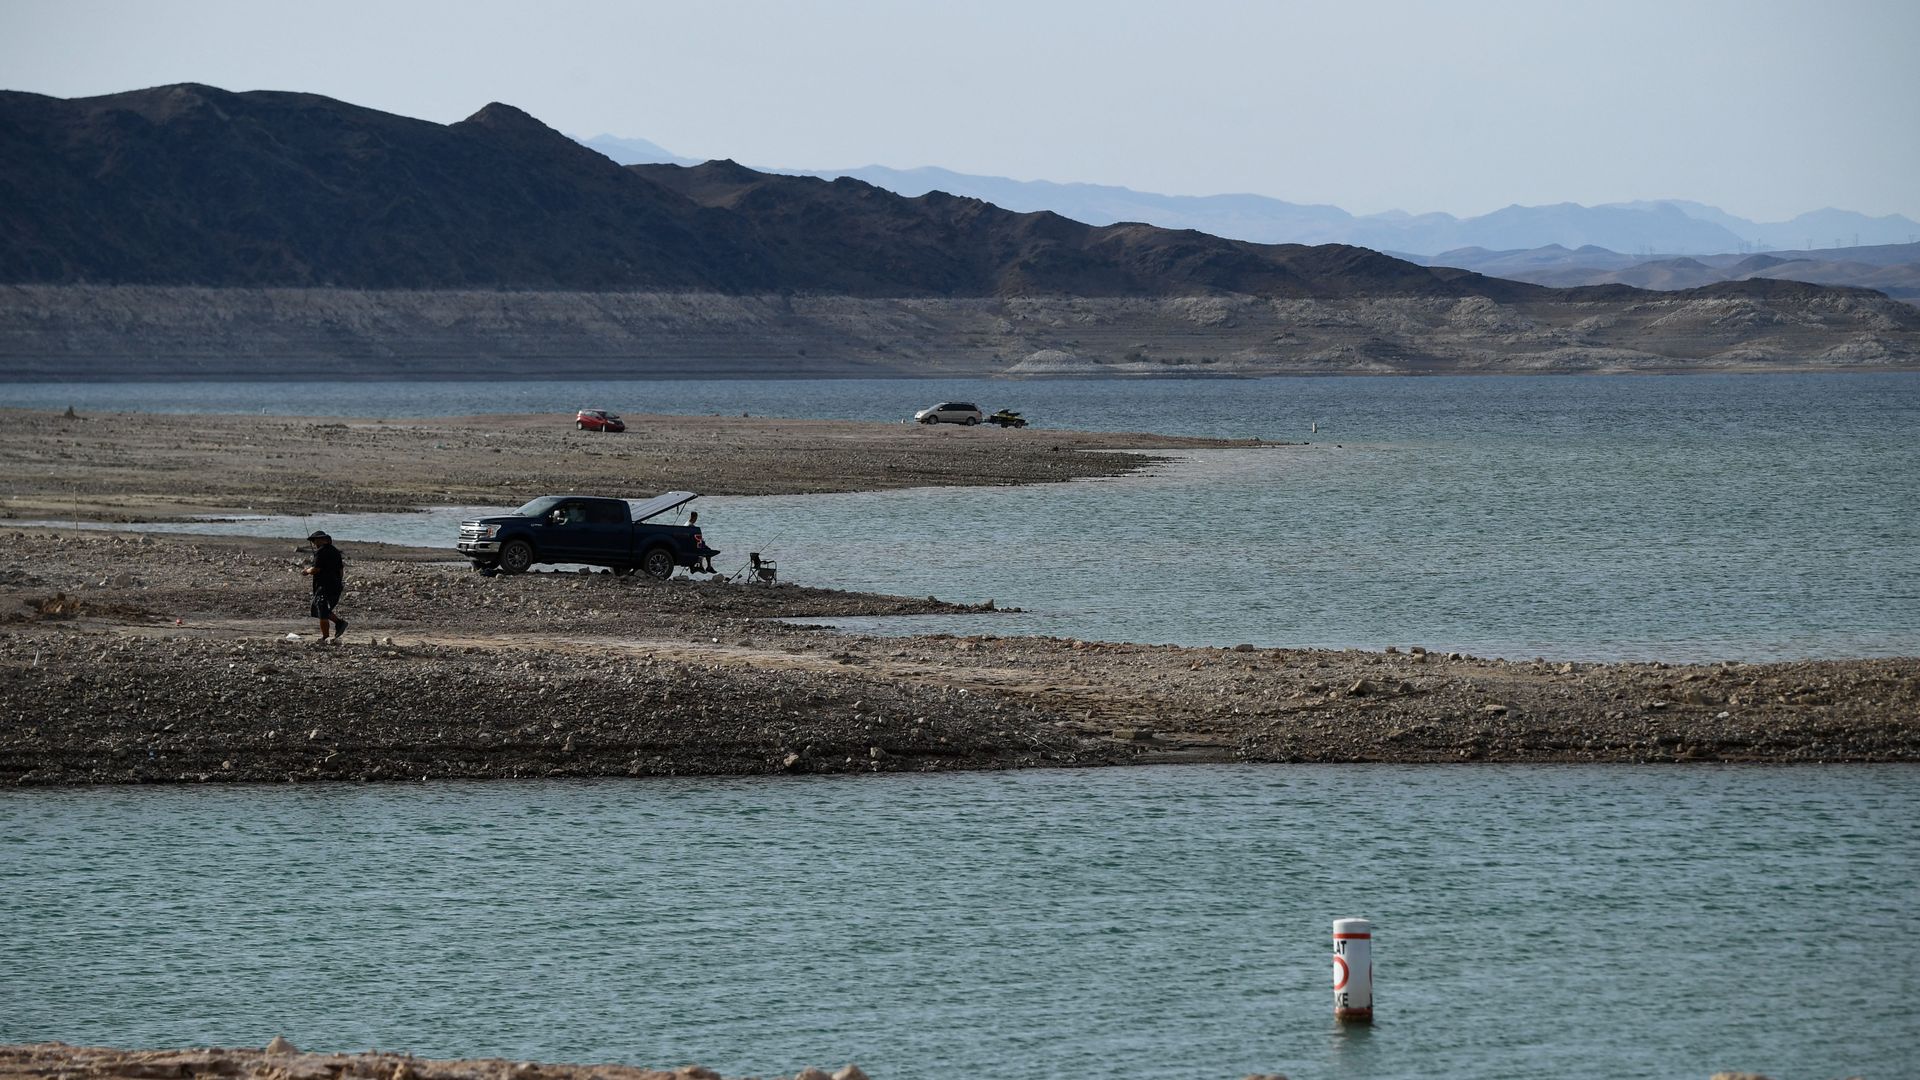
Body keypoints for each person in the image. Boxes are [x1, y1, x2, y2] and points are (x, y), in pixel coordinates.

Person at [303, 529, 349, 642]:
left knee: (322, 610)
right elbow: (341, 570)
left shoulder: (321, 552)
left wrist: (306, 571)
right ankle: (338, 624)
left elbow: (315, 569)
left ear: (322, 540)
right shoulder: (336, 552)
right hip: (335, 585)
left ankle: (326, 636)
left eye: (315, 540)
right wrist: (338, 582)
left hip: (324, 586)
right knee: (322, 609)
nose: (314, 543)